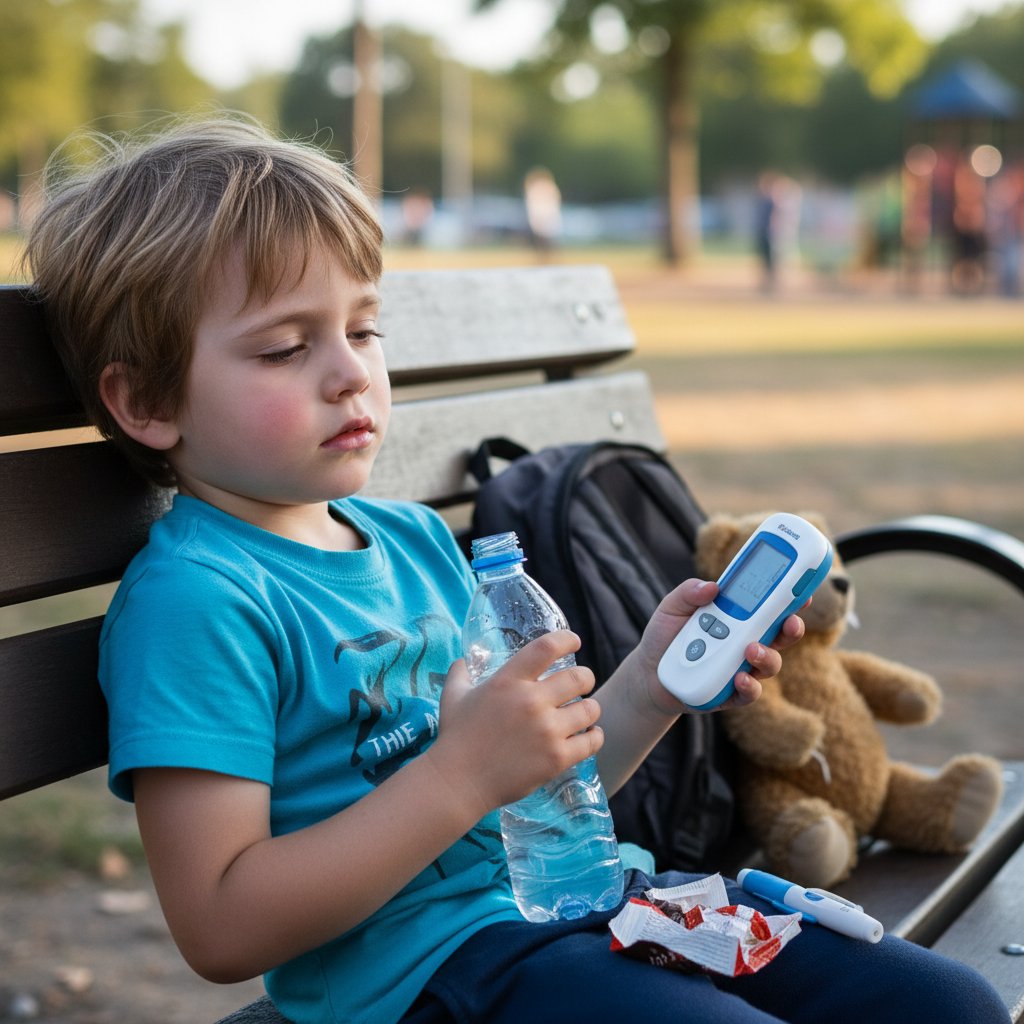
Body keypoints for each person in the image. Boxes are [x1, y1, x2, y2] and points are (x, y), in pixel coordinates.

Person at [25, 115, 1009, 1024]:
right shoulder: (198, 601)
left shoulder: (412, 540)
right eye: (285, 347)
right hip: (441, 976)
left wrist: (651, 686)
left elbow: (545, 797)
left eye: (363, 329)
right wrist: (456, 777)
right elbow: (220, 925)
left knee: (947, 1005)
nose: (350, 371)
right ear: (149, 402)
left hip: (605, 903)